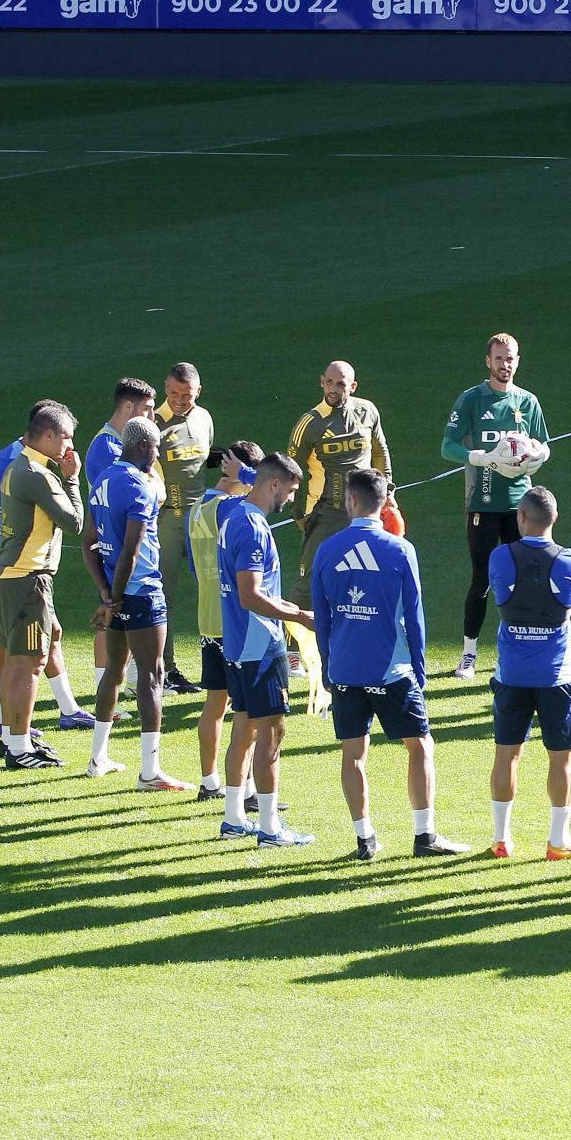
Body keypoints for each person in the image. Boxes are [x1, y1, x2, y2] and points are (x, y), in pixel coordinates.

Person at [313, 468, 467, 860]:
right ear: (383, 506)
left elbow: (322, 615)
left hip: (345, 670)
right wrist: (419, 666)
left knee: (354, 754)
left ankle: (365, 841)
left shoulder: (327, 550)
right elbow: (414, 615)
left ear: (350, 501)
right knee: (420, 747)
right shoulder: (400, 550)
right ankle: (424, 836)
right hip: (391, 670)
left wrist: (329, 667)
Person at [485, 486, 571, 861]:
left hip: (511, 675)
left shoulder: (500, 556)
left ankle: (501, 839)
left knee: (506, 755)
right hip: (556, 677)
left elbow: (501, 596)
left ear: (520, 518)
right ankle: (557, 840)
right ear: (555, 519)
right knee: (561, 759)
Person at [81, 417, 188, 788]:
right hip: (141, 592)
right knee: (152, 674)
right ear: (143, 446)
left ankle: (98, 757)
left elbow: (87, 544)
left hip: (115, 589)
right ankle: (150, 770)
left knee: (114, 670)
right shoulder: (139, 487)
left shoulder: (102, 480)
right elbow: (131, 551)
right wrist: (117, 599)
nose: (156, 456)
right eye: (156, 449)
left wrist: (106, 593)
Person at [0, 407, 90, 738]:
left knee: (19, 657)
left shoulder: (17, 464)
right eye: (67, 437)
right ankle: (20, 746)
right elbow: (74, 522)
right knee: (29, 664)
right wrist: (72, 478)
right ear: (48, 435)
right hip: (27, 580)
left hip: (11, 575)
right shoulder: (37, 474)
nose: (70, 445)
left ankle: (11, 737)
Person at [215, 451, 315, 847]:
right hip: (260, 643)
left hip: (238, 642)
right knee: (272, 731)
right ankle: (271, 828)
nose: (290, 500)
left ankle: (234, 818)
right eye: (290, 491)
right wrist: (300, 615)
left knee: (244, 728)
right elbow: (251, 595)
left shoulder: (233, 511)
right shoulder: (254, 528)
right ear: (273, 485)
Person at [441, 332, 551, 681]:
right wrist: (480, 457)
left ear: (518, 361)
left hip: (522, 507)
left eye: (511, 358)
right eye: (500, 358)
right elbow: (447, 446)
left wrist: (535, 458)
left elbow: (543, 445)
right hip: (484, 503)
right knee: (483, 580)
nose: (506, 364)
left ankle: (516, 650)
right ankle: (469, 653)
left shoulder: (528, 402)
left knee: (525, 577)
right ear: (488, 361)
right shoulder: (472, 400)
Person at [187, 442, 261, 802]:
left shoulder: (198, 507)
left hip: (207, 618)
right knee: (248, 710)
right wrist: (246, 474)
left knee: (215, 704)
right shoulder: (234, 508)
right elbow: (270, 489)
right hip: (236, 621)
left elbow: (192, 564)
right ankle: (244, 789)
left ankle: (210, 781)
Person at [288, 360, 391, 621]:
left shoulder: (367, 411)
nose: (334, 389)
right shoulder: (309, 423)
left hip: (365, 514)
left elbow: (380, 451)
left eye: (341, 384)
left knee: (365, 578)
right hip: (325, 513)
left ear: (352, 386)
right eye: (330, 382)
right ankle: (294, 653)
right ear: (322, 381)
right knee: (307, 584)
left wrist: (388, 492)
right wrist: (299, 515)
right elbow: (293, 470)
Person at [85, 378, 157, 694]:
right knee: (111, 612)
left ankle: (116, 686)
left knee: (117, 614)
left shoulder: (122, 444)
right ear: (128, 407)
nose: (151, 418)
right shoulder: (107, 448)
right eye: (147, 410)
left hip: (121, 541)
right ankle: (108, 687)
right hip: (114, 545)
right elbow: (148, 491)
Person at [155, 362, 214, 695]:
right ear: (166, 387)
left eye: (187, 395)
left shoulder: (203, 418)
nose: (180, 400)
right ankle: (165, 670)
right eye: (174, 394)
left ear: (198, 391)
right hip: (168, 521)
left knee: (216, 592)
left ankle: (219, 667)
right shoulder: (153, 424)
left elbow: (202, 464)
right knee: (163, 597)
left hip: (202, 519)